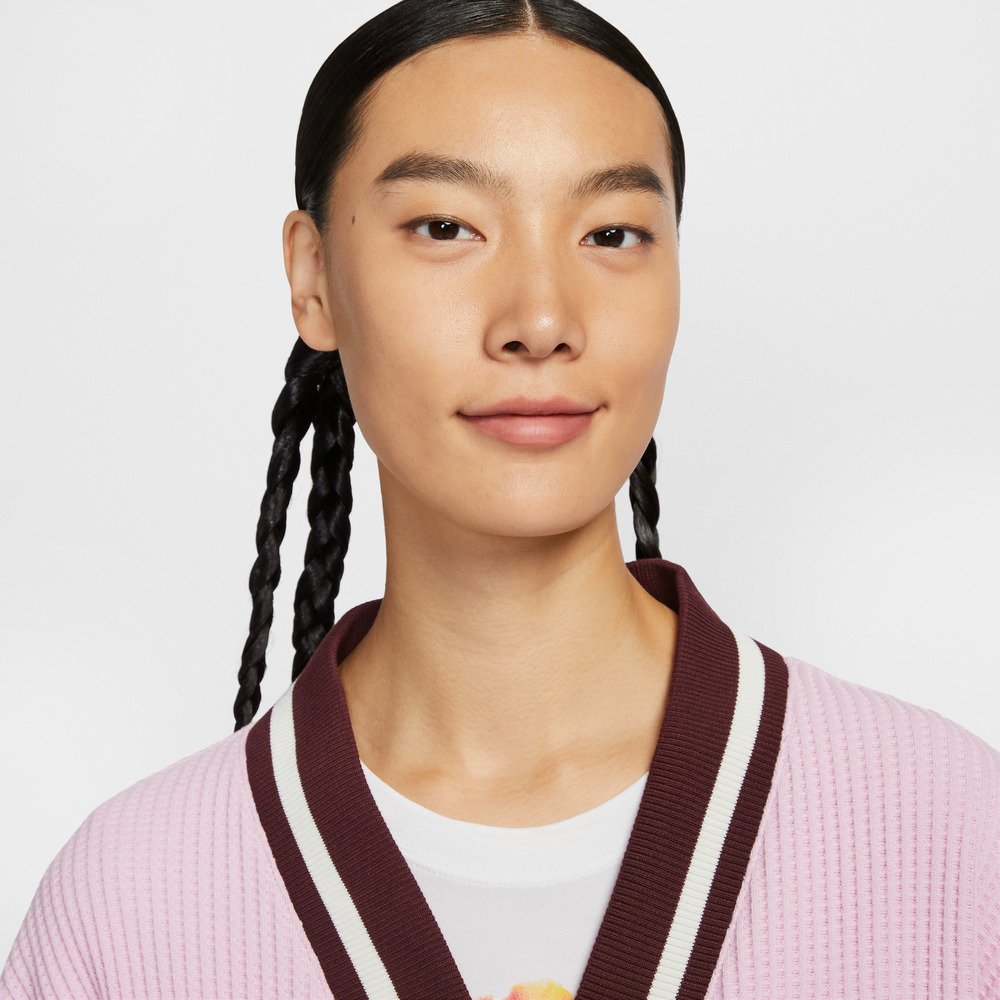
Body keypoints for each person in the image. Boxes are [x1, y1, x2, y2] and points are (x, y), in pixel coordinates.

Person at [2, 1, 998, 998]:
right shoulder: (129, 906)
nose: (541, 318)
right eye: (445, 227)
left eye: (612, 233)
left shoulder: (948, 828)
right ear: (313, 277)